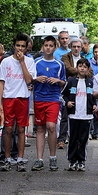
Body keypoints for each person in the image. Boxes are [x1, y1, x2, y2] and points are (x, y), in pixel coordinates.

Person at [0, 33, 36, 172]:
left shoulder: (29, 61)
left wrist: (22, 62)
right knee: (8, 129)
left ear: (26, 48)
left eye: (23, 46)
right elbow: (1, 82)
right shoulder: (6, 61)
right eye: (18, 46)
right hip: (9, 98)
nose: (20, 49)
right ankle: (7, 158)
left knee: (21, 129)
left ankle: (20, 159)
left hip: (23, 98)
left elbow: (29, 80)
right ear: (14, 46)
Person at [31, 35, 66, 171]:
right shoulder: (36, 62)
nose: (48, 48)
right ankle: (39, 159)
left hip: (53, 98)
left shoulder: (59, 64)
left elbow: (64, 82)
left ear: (54, 47)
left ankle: (53, 157)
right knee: (40, 128)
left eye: (51, 46)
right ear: (43, 46)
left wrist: (57, 81)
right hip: (39, 98)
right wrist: (36, 79)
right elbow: (30, 79)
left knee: (51, 126)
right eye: (46, 45)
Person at [62, 58, 96, 171]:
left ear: (88, 69)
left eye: (85, 67)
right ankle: (72, 160)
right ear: (77, 68)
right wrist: (67, 102)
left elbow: (93, 97)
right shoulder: (71, 81)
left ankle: (81, 161)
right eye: (80, 66)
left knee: (83, 139)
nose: (82, 68)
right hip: (74, 115)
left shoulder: (90, 82)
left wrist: (94, 105)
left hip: (86, 115)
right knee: (73, 138)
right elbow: (63, 95)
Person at [89, 43, 98, 140]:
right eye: (95, 52)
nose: (97, 54)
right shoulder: (89, 62)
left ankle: (97, 132)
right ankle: (90, 131)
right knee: (91, 109)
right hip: (91, 88)